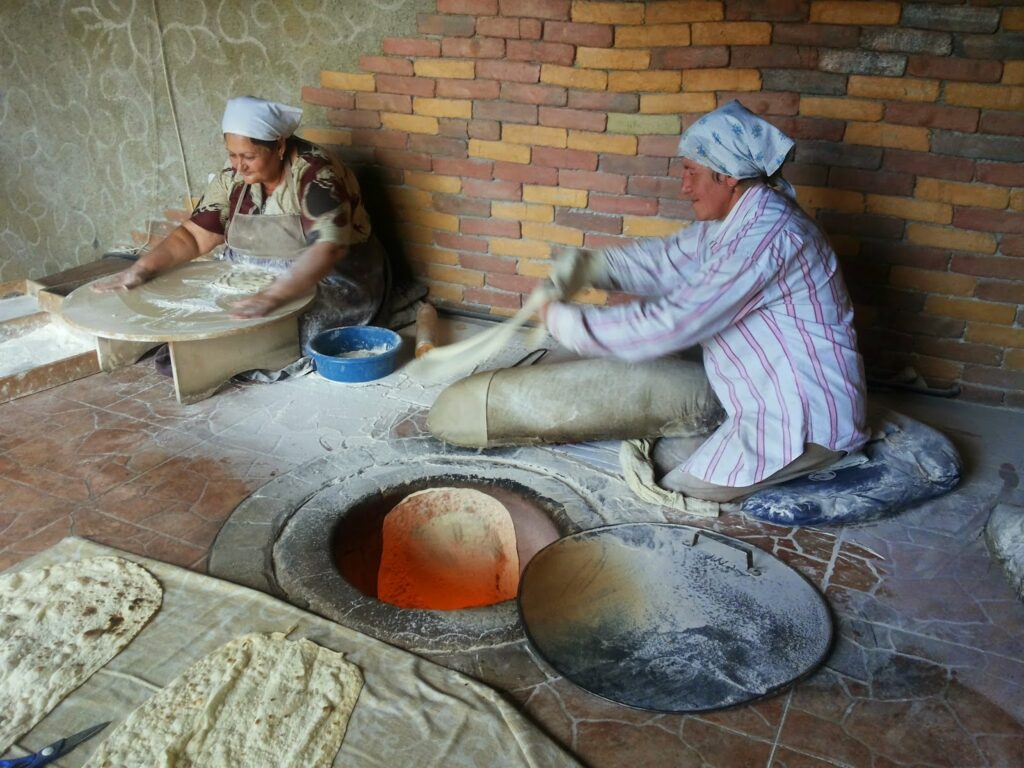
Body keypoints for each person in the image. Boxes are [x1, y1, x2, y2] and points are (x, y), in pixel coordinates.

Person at [536, 100, 869, 502]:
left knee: (675, 488)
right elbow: (663, 261)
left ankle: (823, 462)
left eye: (691, 172)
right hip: (759, 403)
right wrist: (588, 267)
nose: (684, 185)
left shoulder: (767, 238)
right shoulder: (735, 223)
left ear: (727, 176)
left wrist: (567, 322)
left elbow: (674, 322)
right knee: (661, 454)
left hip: (804, 423)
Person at [94, 95, 386, 356]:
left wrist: (274, 295)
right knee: (201, 329)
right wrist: (141, 269)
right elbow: (195, 237)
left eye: (248, 156)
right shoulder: (233, 179)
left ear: (280, 146)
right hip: (260, 276)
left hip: (331, 281)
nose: (238, 166)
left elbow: (328, 249)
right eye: (232, 155)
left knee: (272, 345)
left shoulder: (316, 174)